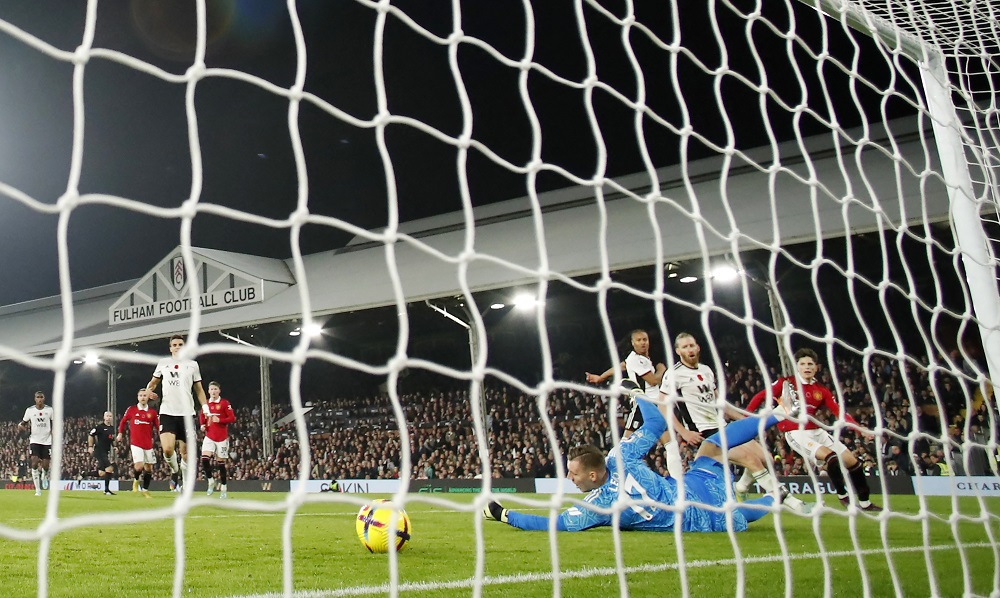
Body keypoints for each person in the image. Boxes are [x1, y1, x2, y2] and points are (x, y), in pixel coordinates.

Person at [484, 380, 802, 532]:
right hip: (697, 488)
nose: (569, 478)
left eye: (573, 473)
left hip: (700, 523)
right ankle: (778, 415)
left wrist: (503, 514)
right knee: (713, 445)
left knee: (734, 514)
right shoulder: (620, 456)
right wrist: (637, 395)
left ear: (593, 475)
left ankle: (773, 498)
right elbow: (656, 424)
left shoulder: (598, 505)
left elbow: (552, 524)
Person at [661, 333, 806, 512]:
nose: (689, 349)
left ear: (698, 347)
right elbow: (662, 405)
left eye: (691, 345)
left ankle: (742, 487)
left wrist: (745, 421)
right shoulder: (674, 374)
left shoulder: (706, 370)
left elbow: (720, 404)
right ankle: (792, 502)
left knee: (767, 458)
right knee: (751, 460)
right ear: (678, 351)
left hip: (723, 427)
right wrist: (684, 432)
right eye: (684, 347)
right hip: (705, 434)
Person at [745, 348, 883, 512]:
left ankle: (865, 503)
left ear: (816, 367)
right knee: (831, 457)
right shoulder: (786, 383)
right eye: (803, 364)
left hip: (817, 431)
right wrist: (746, 417)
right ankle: (843, 496)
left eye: (810, 364)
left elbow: (839, 412)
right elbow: (760, 396)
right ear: (797, 366)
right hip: (796, 433)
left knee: (853, 463)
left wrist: (859, 429)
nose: (807, 367)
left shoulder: (821, 390)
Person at [585, 329, 687, 477]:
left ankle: (677, 482)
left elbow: (622, 366)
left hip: (656, 405)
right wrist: (662, 370)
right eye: (639, 340)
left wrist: (600, 377)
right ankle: (604, 475)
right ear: (633, 343)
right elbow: (653, 380)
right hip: (643, 405)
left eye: (645, 339)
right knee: (625, 445)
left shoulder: (640, 359)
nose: (643, 342)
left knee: (670, 445)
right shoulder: (636, 360)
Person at [146, 334, 209, 492]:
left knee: (186, 453)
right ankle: (175, 470)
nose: (177, 347)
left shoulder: (192, 365)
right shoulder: (163, 363)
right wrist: (148, 391)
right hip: (167, 412)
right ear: (170, 348)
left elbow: (199, 389)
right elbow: (153, 383)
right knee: (167, 449)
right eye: (174, 345)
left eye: (180, 344)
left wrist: (205, 407)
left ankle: (186, 487)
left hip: (187, 413)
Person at [117, 388, 160, 498]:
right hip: (136, 443)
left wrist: (162, 438)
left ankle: (145, 490)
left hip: (148, 444)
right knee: (139, 466)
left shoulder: (152, 412)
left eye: (145, 395)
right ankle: (136, 481)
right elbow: (123, 421)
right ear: (138, 397)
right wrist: (120, 433)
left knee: (149, 469)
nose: (142, 397)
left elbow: (158, 427)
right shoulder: (132, 409)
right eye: (140, 395)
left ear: (148, 397)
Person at [199, 381, 236, 498]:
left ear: (219, 391)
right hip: (210, 436)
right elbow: (202, 415)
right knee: (204, 459)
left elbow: (232, 418)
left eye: (215, 389)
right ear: (208, 391)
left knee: (221, 464)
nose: (213, 391)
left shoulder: (225, 403)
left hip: (222, 438)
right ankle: (211, 481)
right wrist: (202, 425)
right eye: (211, 389)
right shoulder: (206, 404)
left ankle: (224, 488)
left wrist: (220, 420)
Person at [18, 391, 54, 497]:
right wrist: (23, 429)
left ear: (44, 398)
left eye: (41, 397)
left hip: (47, 440)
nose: (39, 399)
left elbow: (55, 423)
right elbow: (23, 423)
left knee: (46, 465)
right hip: (34, 440)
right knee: (34, 463)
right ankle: (38, 490)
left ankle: (44, 475)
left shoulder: (50, 410)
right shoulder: (30, 410)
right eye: (38, 397)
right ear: (35, 399)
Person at [88, 411, 117, 495]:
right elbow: (91, 435)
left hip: (105, 451)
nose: (109, 417)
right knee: (109, 468)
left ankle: (84, 474)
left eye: (110, 416)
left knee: (102, 473)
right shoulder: (100, 427)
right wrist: (90, 446)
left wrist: (115, 446)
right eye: (107, 416)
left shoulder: (112, 428)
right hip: (99, 451)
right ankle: (106, 490)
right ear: (104, 417)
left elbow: (112, 439)